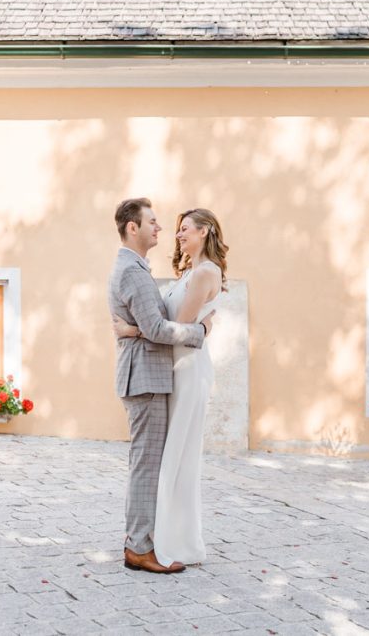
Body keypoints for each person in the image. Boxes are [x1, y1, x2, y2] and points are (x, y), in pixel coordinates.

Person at [114, 208, 227, 568]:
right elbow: (163, 326)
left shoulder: (206, 273)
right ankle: (154, 538)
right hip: (172, 369)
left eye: (184, 229)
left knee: (176, 456)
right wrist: (141, 328)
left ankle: (167, 540)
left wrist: (132, 330)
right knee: (164, 459)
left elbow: (173, 328)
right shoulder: (189, 273)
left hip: (187, 370)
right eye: (174, 229)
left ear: (205, 231)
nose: (177, 235)